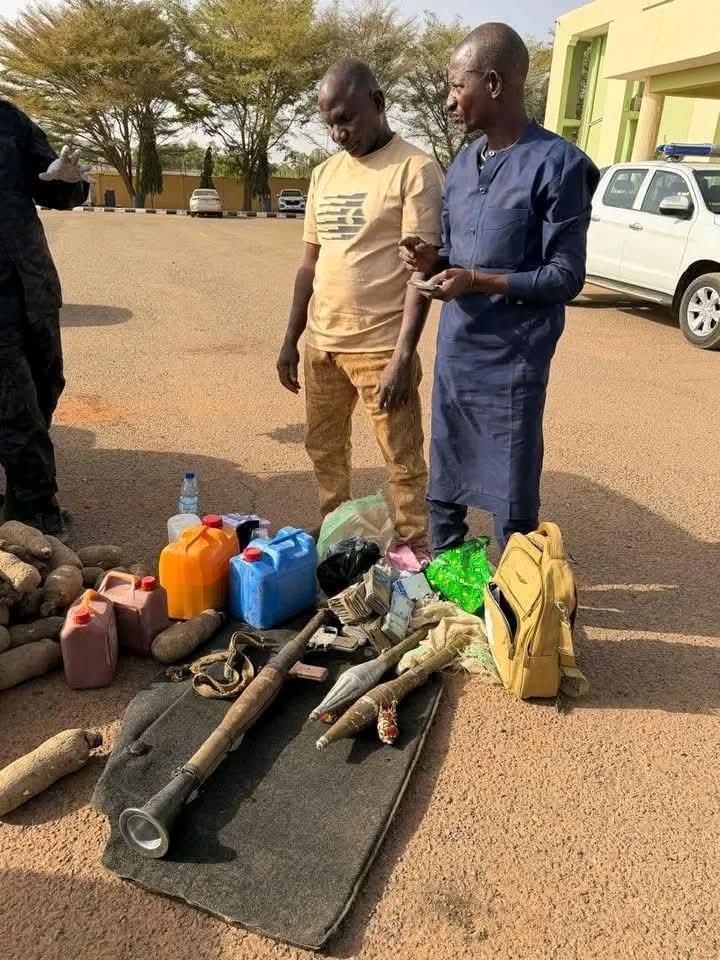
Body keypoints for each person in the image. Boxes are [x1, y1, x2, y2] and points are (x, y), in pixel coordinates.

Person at [400, 23, 599, 554]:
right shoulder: (463, 166)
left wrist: (476, 281)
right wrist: (432, 259)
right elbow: (455, 254)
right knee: (445, 485)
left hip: (514, 363)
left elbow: (565, 277)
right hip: (457, 356)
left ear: (492, 83)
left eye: (455, 86)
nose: (448, 101)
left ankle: (515, 596)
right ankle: (448, 589)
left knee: (512, 498)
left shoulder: (558, 165)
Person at [277, 59, 444, 550]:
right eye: (329, 123)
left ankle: (414, 550)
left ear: (378, 102)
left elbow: (422, 271)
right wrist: (290, 340)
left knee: (402, 458)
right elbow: (309, 264)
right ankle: (338, 535)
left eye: (346, 119)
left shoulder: (414, 169)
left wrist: (402, 357)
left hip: (380, 349)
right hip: (322, 345)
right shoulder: (323, 174)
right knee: (324, 449)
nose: (337, 134)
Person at [1, 100, 91, 536]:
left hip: (32, 286)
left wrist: (70, 182)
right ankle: (34, 514)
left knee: (44, 386)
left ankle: (21, 498)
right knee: (14, 406)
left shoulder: (8, 120)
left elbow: (51, 185)